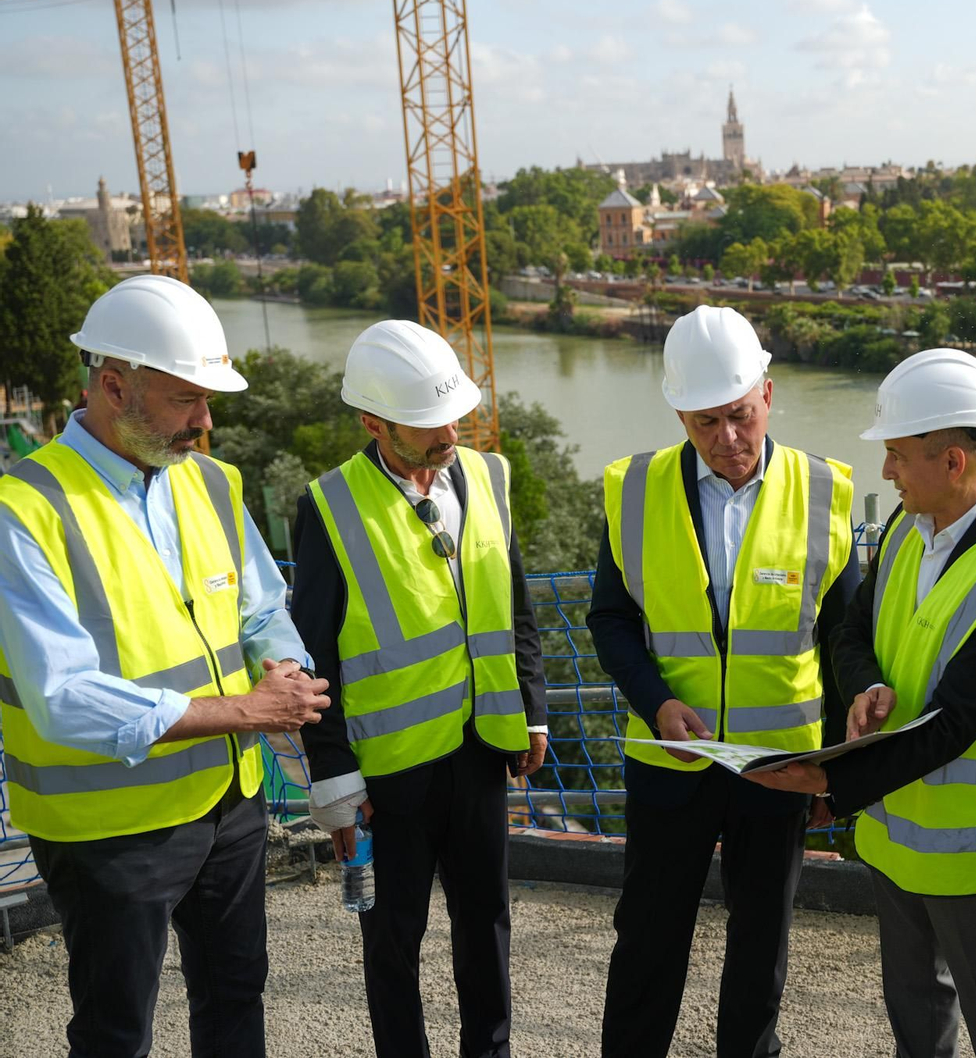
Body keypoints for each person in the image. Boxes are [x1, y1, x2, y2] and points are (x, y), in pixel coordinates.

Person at [0, 275, 328, 1058]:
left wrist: (281, 663)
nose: (205, 422)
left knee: (236, 991)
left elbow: (259, 607)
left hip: (230, 802)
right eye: (187, 400)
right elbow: (62, 697)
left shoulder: (209, 482)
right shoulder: (24, 509)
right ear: (114, 386)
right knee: (117, 1030)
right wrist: (250, 712)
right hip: (110, 829)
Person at [748, 349, 976, 1058]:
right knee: (915, 1017)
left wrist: (835, 782)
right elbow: (851, 632)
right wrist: (865, 688)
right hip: (899, 840)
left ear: (953, 461)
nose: (887, 472)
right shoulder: (903, 532)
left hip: (975, 859)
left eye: (897, 456)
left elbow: (953, 726)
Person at [588, 305, 859, 1058]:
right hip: (670, 762)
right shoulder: (632, 490)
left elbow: (846, 641)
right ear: (679, 412)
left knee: (760, 945)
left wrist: (837, 771)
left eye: (739, 416)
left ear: (768, 395)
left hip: (781, 765)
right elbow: (610, 619)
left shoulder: (824, 491)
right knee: (647, 937)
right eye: (704, 423)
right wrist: (656, 701)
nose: (726, 440)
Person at [289, 319, 548, 1058]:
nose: (449, 430)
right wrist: (335, 778)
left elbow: (515, 605)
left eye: (454, 413)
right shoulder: (331, 506)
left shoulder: (487, 477)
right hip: (388, 772)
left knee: (486, 923)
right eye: (428, 420)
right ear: (374, 422)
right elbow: (311, 654)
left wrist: (533, 709)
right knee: (394, 940)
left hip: (480, 751)